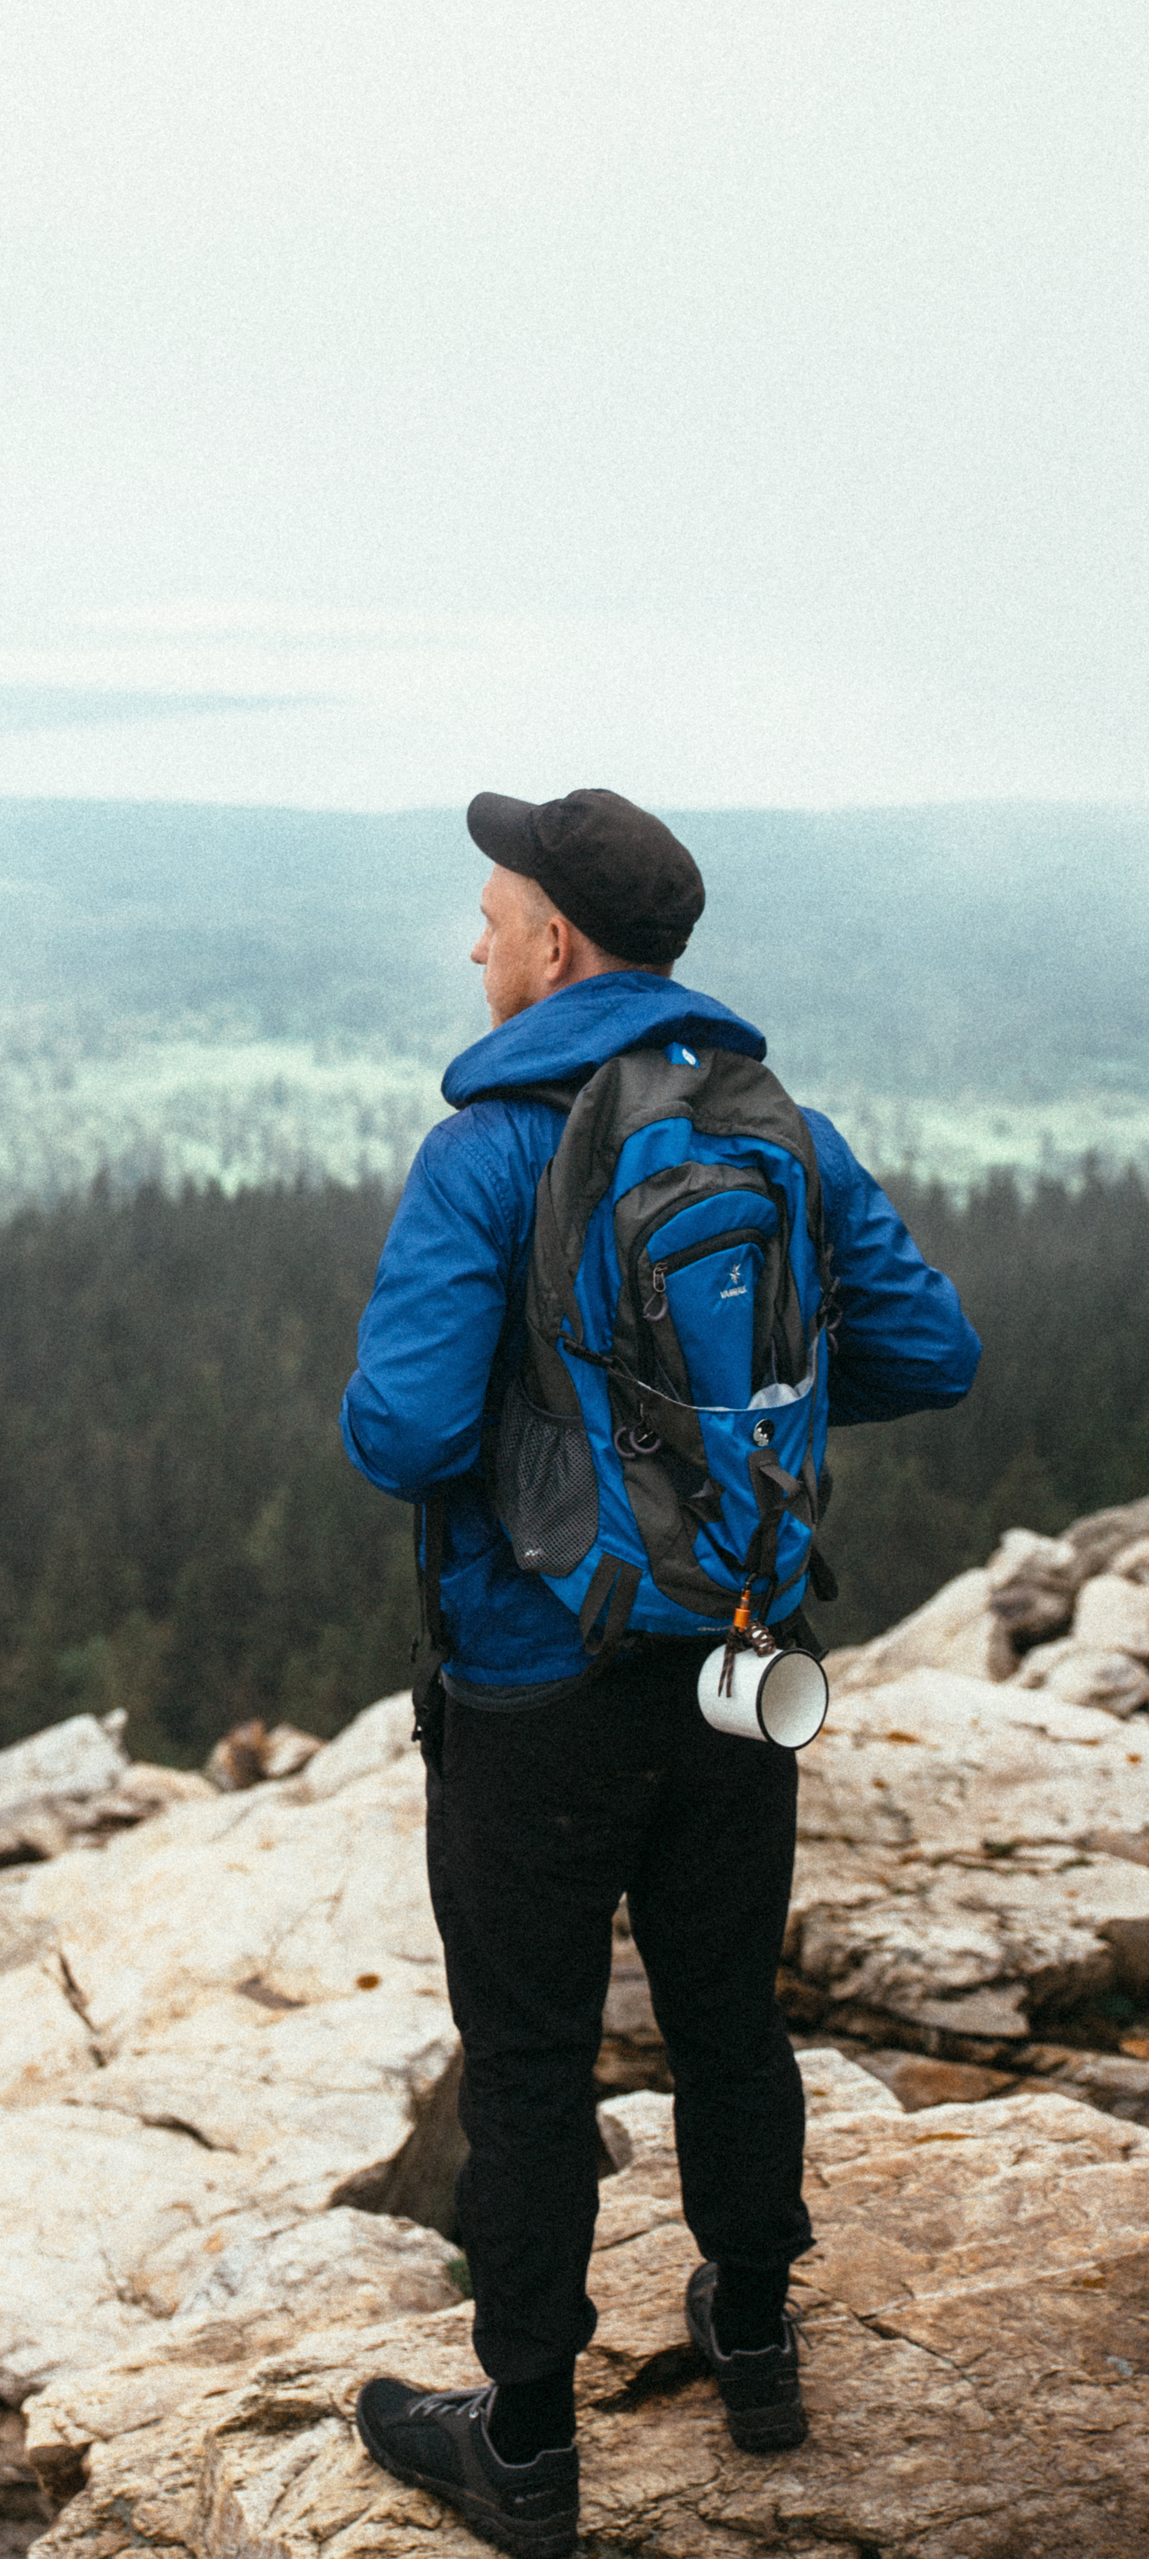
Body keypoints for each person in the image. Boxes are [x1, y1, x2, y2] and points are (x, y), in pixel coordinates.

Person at [339, 787, 979, 2559]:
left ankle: (526, 2449)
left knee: (533, 2060)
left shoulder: (488, 1153)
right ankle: (756, 2344)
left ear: (557, 944)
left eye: (492, 915)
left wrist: (580, 1433)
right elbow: (933, 1348)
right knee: (726, 2017)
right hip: (733, 1672)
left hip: (534, 1689)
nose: (475, 943)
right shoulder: (780, 1130)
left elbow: (397, 1430)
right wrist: (709, 1432)